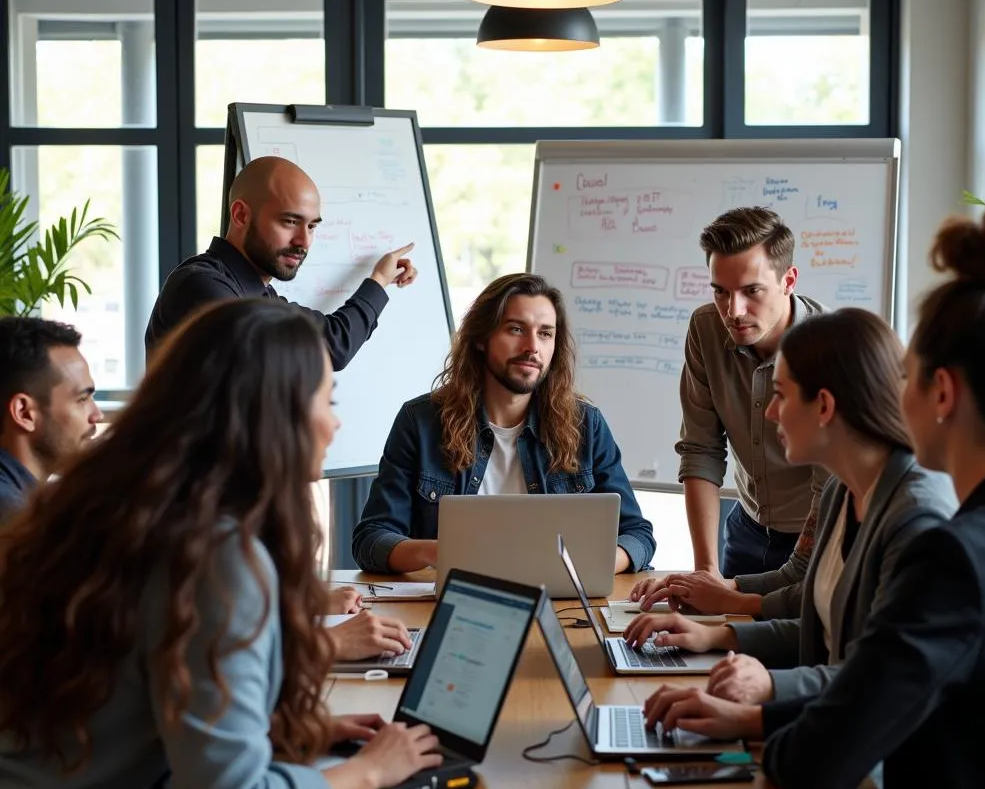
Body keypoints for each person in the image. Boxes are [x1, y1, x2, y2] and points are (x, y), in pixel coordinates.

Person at [0, 299, 442, 789]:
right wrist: (371, 770)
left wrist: (286, 732)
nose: (334, 426)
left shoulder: (121, 506)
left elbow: (145, 695)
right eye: (328, 401)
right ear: (273, 415)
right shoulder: (216, 554)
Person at [642, 206, 985, 789]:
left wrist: (755, 721)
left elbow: (827, 756)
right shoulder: (982, 531)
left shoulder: (951, 549)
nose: (890, 392)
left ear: (941, 394)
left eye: (905, 375)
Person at [624, 309, 956, 702]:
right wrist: (714, 634)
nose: (769, 412)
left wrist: (762, 704)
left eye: (780, 394)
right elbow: (819, 625)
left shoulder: (917, 517)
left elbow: (881, 682)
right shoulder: (842, 491)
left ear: (825, 406)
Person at [352, 273, 655, 575]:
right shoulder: (420, 421)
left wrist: (586, 569)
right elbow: (372, 539)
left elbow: (637, 536)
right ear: (482, 339)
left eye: (545, 333)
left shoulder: (586, 425)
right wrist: (440, 552)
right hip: (453, 604)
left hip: (563, 604)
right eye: (516, 329)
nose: (532, 347)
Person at [144, 156, 417, 368]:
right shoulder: (202, 287)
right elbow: (333, 346)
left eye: (311, 227)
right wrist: (377, 282)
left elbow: (333, 341)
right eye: (290, 222)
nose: (304, 241)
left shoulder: (258, 294)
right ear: (240, 215)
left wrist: (380, 280)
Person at [678, 206, 826, 578]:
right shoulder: (705, 328)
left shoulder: (831, 347)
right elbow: (701, 449)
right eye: (720, 292)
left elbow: (831, 484)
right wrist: (705, 572)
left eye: (751, 291)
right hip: (745, 528)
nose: (734, 311)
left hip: (815, 538)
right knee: (716, 632)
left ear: (788, 280)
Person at [0, 317, 102, 523]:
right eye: (82, 399)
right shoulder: (13, 523)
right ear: (24, 413)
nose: (97, 415)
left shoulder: (25, 503)